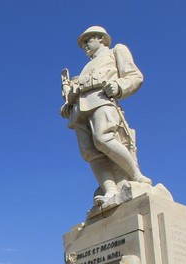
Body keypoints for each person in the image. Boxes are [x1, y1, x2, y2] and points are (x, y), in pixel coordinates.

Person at [60, 26, 150, 206]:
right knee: (90, 152)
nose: (85, 46)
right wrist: (68, 104)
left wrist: (119, 86)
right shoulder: (85, 68)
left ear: (100, 38)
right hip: (79, 111)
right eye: (83, 43)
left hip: (102, 101)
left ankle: (135, 175)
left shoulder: (116, 51)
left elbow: (134, 76)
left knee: (103, 138)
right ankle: (110, 190)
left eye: (87, 41)